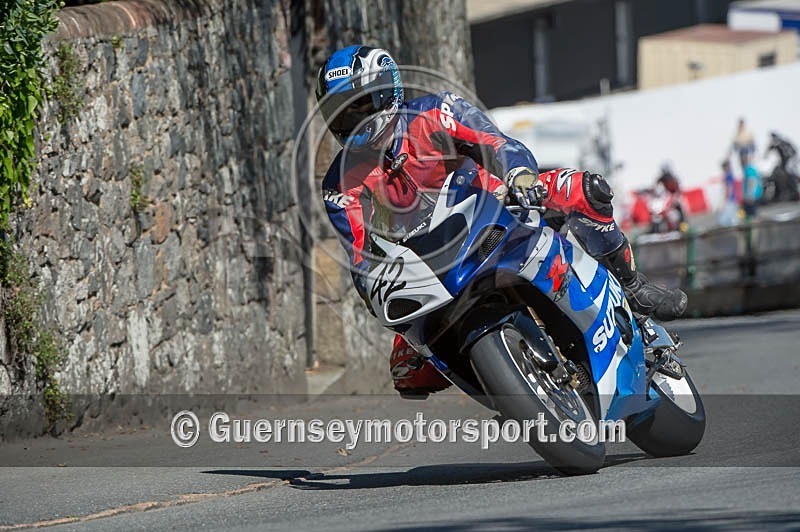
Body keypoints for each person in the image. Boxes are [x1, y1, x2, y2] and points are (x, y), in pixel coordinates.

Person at [316, 45, 688, 396]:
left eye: (361, 105)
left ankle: (631, 286)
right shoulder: (339, 184)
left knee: (586, 190)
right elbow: (361, 251)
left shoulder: (435, 112)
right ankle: (502, 379)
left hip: (497, 208)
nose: (355, 119)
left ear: (389, 91)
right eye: (342, 112)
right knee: (408, 374)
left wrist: (519, 177)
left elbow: (496, 143)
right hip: (430, 268)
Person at [741, 154, 762, 219]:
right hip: (754, 195)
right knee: (750, 214)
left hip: (752, 197)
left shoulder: (748, 170)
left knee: (750, 215)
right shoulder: (751, 169)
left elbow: (752, 183)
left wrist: (749, 196)